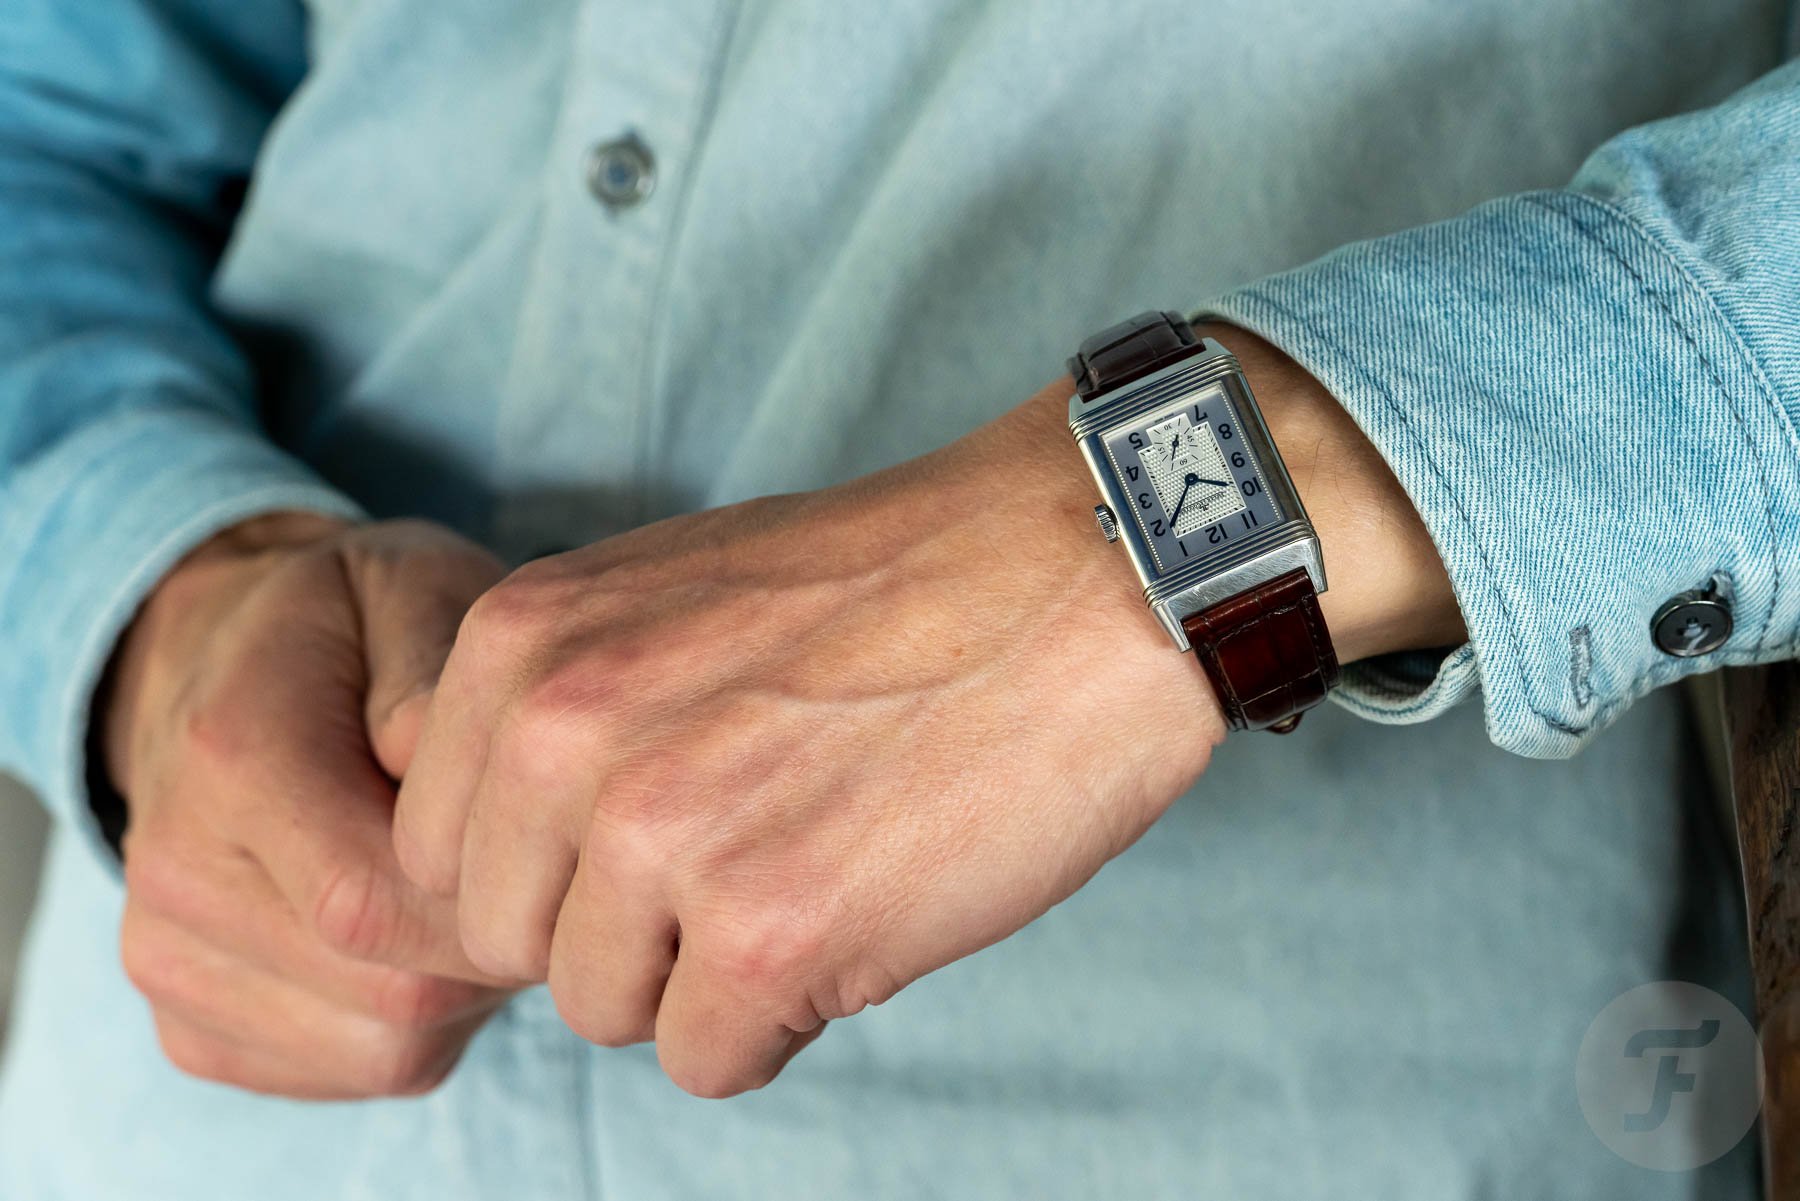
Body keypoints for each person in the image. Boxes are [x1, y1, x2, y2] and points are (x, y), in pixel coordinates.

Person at [0, 0, 1794, 1196]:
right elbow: (48, 115)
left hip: (1322, 1111)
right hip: (204, 1109)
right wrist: (165, 592)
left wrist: (1212, 508)